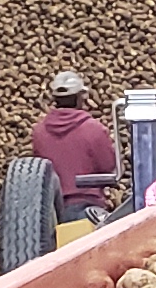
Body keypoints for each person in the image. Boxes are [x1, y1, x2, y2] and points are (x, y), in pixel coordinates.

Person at [30, 70, 120, 215]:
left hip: (50, 211)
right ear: (79, 97)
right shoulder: (93, 129)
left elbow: (38, 170)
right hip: (87, 205)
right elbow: (108, 166)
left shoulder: (39, 132)